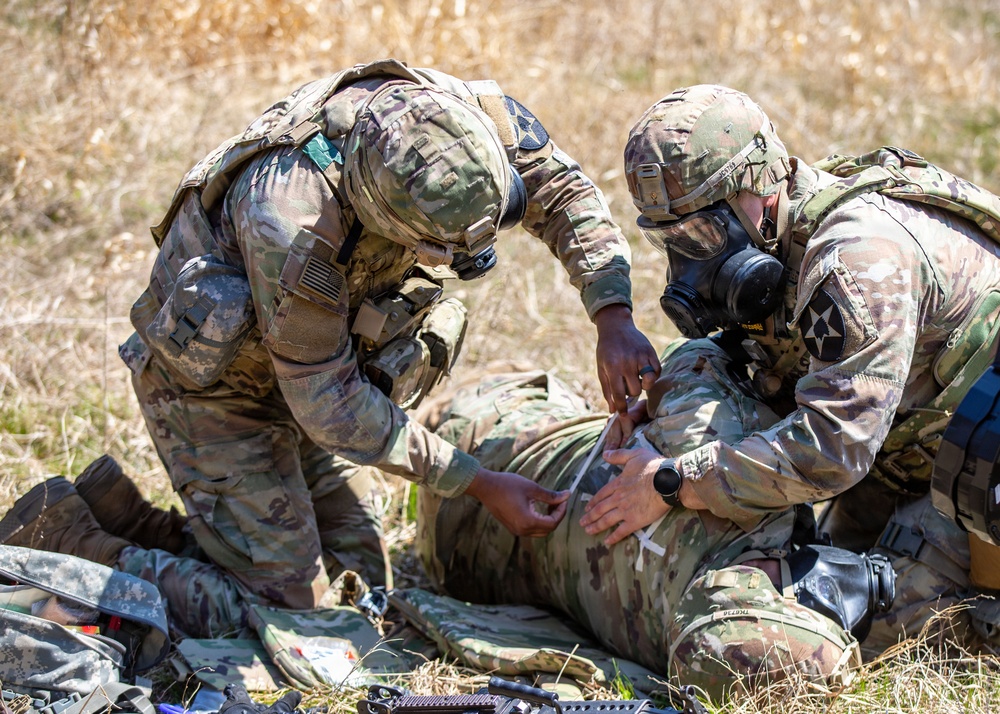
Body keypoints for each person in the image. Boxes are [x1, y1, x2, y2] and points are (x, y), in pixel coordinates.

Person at [0, 59, 659, 625]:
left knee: (358, 576)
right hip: (216, 393)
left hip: (309, 367)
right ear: (379, 213)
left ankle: (138, 523)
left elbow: (564, 192)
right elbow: (329, 404)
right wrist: (476, 481)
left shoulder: (457, 122)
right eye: (441, 249)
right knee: (294, 608)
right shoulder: (292, 220)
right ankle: (71, 541)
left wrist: (612, 315)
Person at [414, 84, 1000, 698]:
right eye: (669, 240)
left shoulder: (856, 260)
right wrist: (655, 402)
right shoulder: (785, 236)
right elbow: (770, 364)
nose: (687, 263)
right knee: (822, 567)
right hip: (910, 454)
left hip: (978, 485)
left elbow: (833, 448)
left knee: (882, 622)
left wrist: (671, 480)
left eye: (698, 235)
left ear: (759, 188)